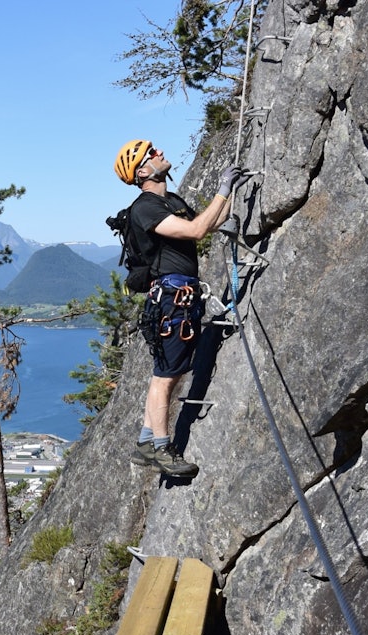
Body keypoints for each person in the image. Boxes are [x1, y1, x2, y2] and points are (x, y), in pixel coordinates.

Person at [114, 139, 239, 478]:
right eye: (151, 154)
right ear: (142, 172)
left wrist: (230, 195)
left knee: (169, 371)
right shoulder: (145, 208)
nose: (159, 153)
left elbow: (208, 222)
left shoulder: (171, 201)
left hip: (181, 297)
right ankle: (162, 449)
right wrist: (223, 189)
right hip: (171, 300)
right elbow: (197, 231)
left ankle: (145, 442)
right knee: (165, 377)